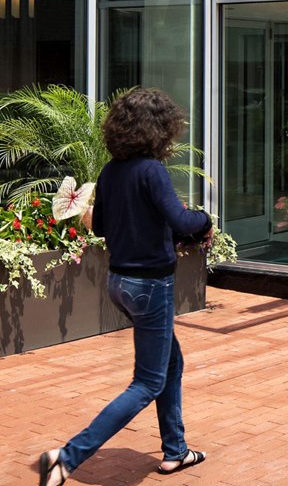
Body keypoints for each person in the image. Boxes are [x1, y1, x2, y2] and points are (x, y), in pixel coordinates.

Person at [38, 88, 212, 485]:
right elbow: (182, 221)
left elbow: (99, 226)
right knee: (147, 382)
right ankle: (66, 457)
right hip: (150, 285)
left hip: (120, 282)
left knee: (171, 363)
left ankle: (175, 451)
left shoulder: (111, 171)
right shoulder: (151, 170)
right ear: (159, 129)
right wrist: (204, 221)